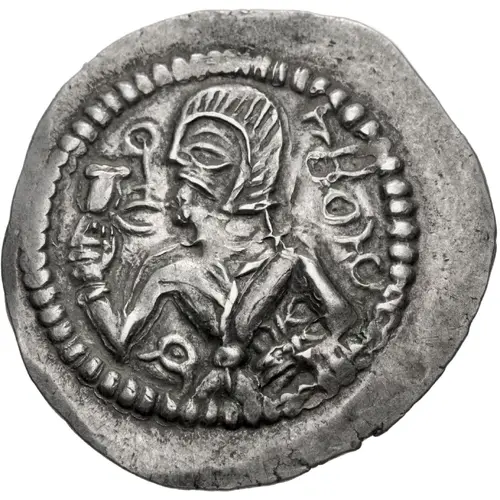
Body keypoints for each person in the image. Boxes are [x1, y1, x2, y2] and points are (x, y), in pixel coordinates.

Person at [71, 84, 357, 425]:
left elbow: (343, 317)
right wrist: (91, 275)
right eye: (185, 162)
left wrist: (294, 352)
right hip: (200, 407)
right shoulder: (173, 272)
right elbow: (119, 344)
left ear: (250, 171)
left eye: (206, 154)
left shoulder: (287, 259)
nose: (180, 174)